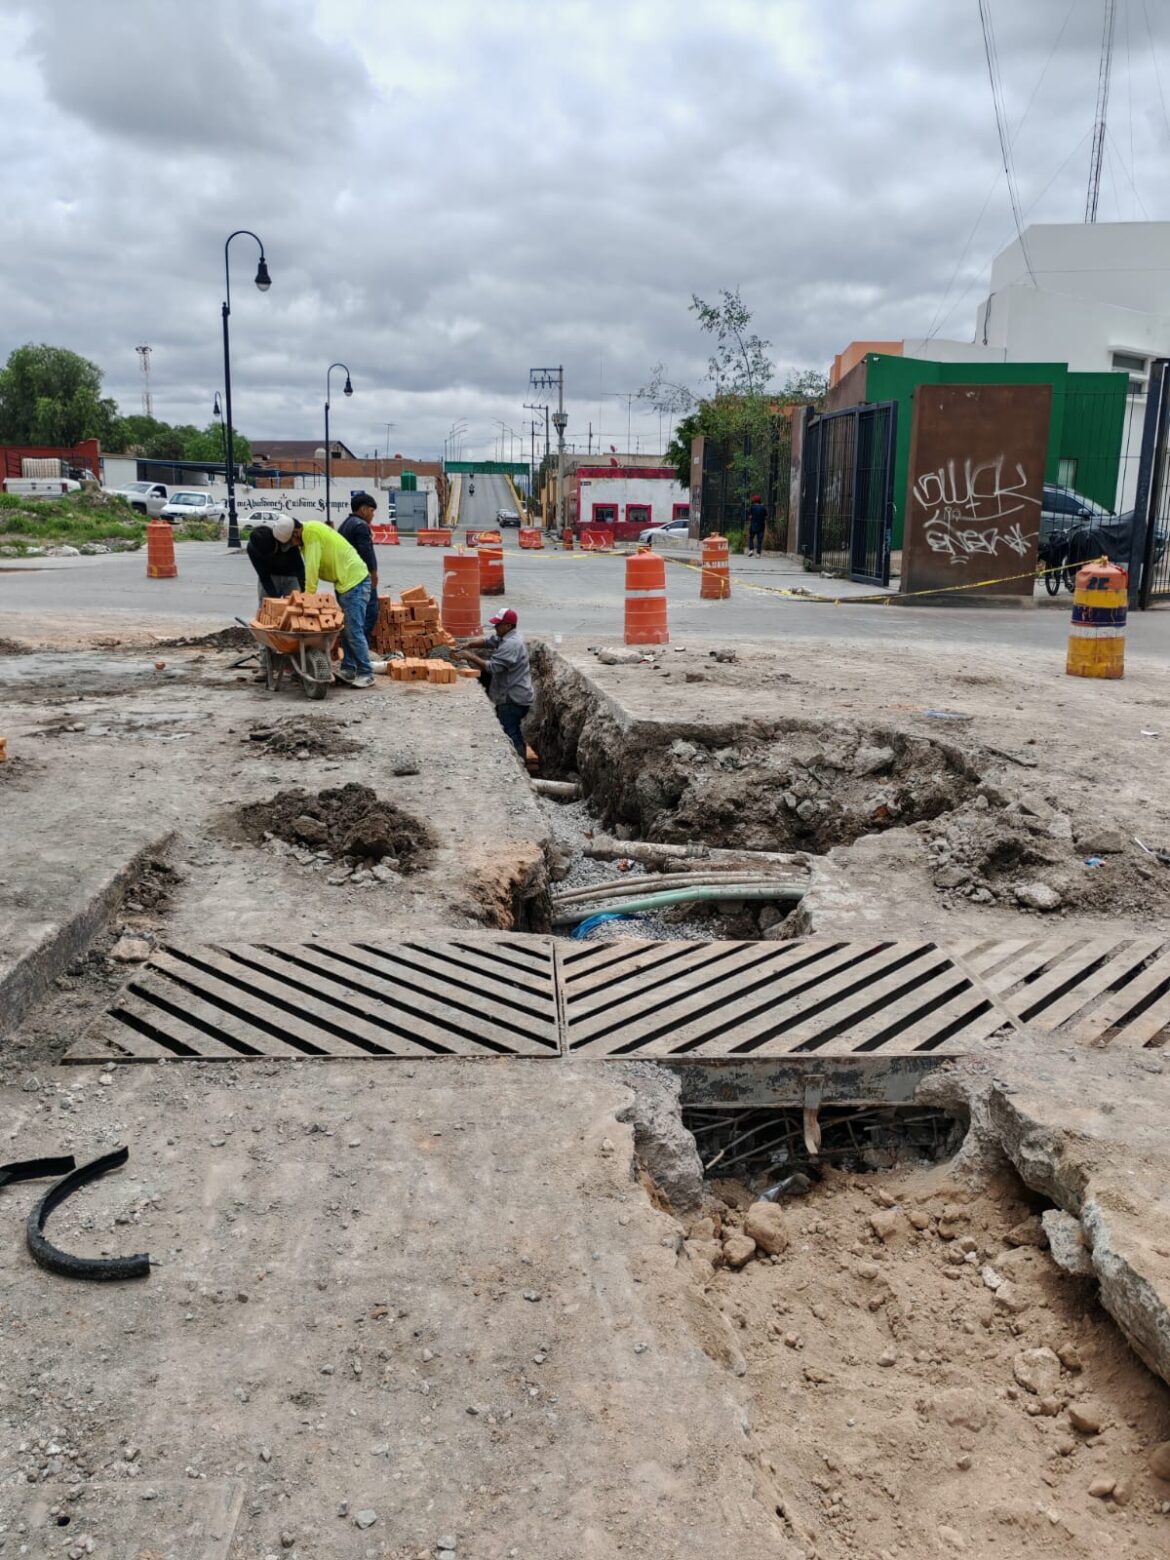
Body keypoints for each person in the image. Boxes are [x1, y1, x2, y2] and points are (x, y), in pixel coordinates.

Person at [289, 518, 374, 687]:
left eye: (290, 541)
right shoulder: (308, 535)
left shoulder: (311, 533)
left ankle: (367, 673)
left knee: (353, 630)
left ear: (296, 532)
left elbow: (312, 569)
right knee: (346, 629)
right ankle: (349, 668)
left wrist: (306, 600)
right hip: (344, 582)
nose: (291, 545)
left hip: (354, 582)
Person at [459, 608, 534, 758]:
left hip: (513, 699)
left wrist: (470, 657)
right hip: (514, 696)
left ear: (508, 625)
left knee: (511, 732)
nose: (495, 627)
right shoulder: (506, 635)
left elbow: (493, 667)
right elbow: (489, 641)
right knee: (512, 729)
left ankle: (519, 761)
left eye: (498, 625)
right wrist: (469, 644)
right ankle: (518, 758)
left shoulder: (512, 644)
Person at [338, 491, 381, 643]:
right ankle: (360, 648)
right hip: (360, 578)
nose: (373, 515)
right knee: (370, 612)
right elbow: (366, 552)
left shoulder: (344, 525)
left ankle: (350, 648)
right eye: (371, 510)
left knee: (352, 616)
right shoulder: (360, 526)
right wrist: (373, 574)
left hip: (345, 578)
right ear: (363, 509)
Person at [246, 515, 305, 606]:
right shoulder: (252, 549)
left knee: (295, 608)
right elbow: (263, 575)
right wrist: (275, 600)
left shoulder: (284, 537)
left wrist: (304, 591)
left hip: (291, 576)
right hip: (270, 576)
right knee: (266, 607)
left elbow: (299, 567)